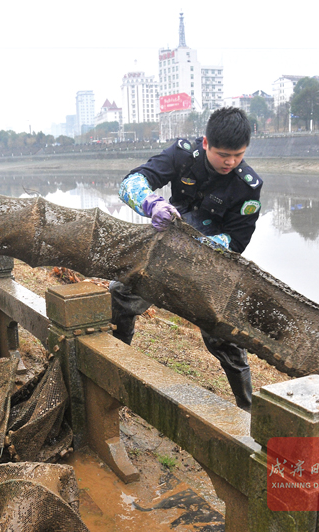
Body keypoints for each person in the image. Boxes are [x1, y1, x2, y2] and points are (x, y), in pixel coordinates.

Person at [111, 107, 262, 411]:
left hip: (210, 264)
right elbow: (132, 182)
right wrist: (150, 203)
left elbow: (237, 241)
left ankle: (247, 409)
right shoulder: (183, 155)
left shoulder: (247, 186)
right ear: (206, 143)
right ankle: (115, 368)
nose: (230, 162)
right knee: (121, 295)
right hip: (167, 249)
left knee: (223, 338)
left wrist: (203, 245)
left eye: (238, 155)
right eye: (223, 155)